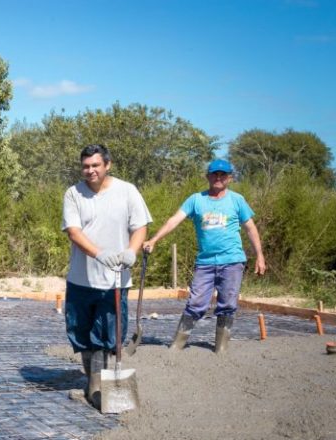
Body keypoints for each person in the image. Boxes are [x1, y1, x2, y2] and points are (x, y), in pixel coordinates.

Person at [142, 159, 266, 353]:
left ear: (229, 178)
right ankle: (177, 344)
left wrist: (260, 255)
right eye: (214, 174)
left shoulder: (237, 200)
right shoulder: (196, 200)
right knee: (196, 302)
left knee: (228, 302)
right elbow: (174, 220)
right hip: (205, 262)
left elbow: (250, 228)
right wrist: (154, 239)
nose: (218, 178)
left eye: (222, 175)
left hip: (232, 260)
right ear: (208, 176)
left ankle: (221, 347)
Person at [62, 144, 151, 410]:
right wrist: (98, 253)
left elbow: (140, 226)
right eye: (86, 166)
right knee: (80, 331)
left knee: (106, 333)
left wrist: (132, 251)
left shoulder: (127, 191)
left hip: (115, 280)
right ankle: (92, 380)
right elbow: (74, 232)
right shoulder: (73, 194)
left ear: (107, 165)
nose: (90, 171)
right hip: (81, 278)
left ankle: (97, 388)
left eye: (95, 165)